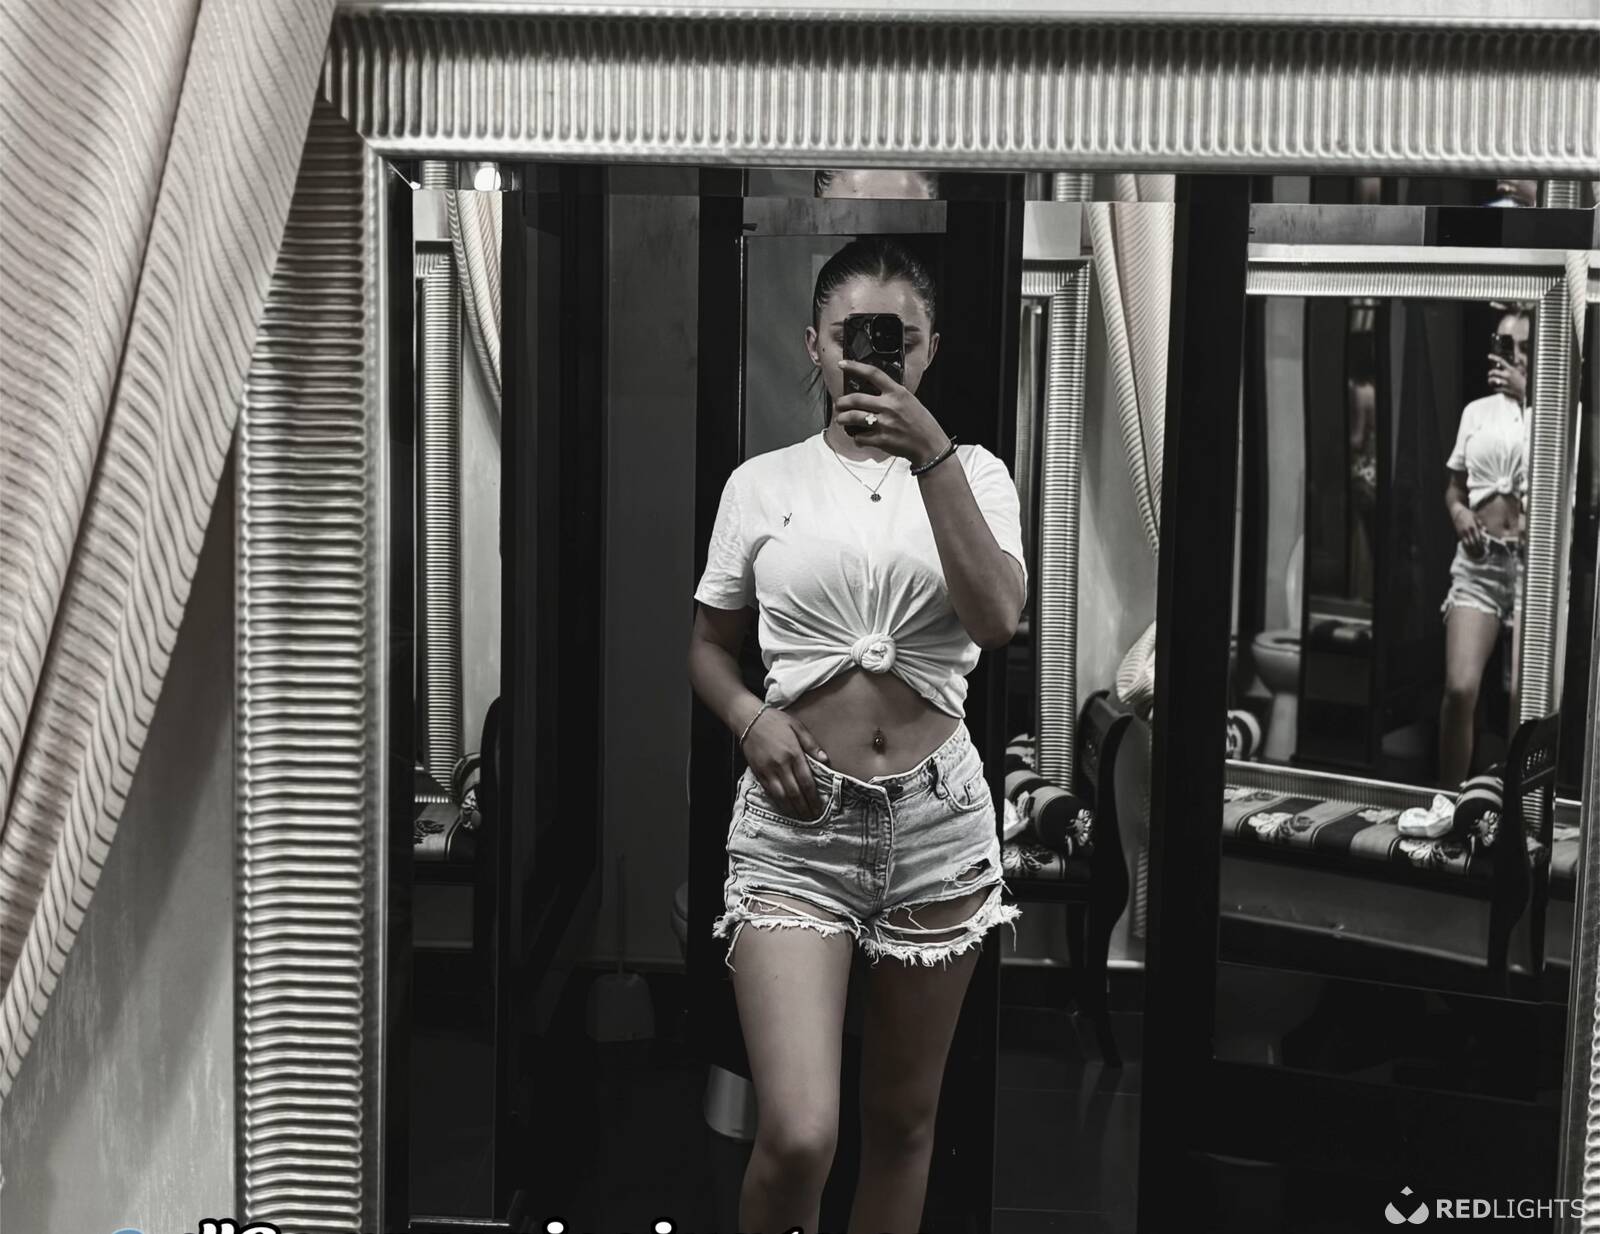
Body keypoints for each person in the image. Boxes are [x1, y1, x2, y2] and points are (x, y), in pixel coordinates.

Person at [686, 235, 1026, 1233]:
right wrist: (749, 717)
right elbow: (706, 647)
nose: (874, 358)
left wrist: (933, 456)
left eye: (898, 339)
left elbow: (997, 619)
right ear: (814, 345)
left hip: (937, 829)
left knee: (903, 1125)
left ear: (929, 350)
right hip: (797, 832)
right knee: (799, 1133)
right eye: (851, 338)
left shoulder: (978, 476)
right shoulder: (762, 483)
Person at [1437, 306, 1533, 788]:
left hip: (1535, 571)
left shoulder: (1558, 414)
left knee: (1524, 706)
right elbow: (1454, 490)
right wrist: (1459, 513)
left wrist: (1529, 396)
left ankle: (1518, 812)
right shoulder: (1476, 412)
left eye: (1522, 348)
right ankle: (1447, 802)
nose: (1511, 357)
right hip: (1479, 564)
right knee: (1460, 689)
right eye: (1504, 345)